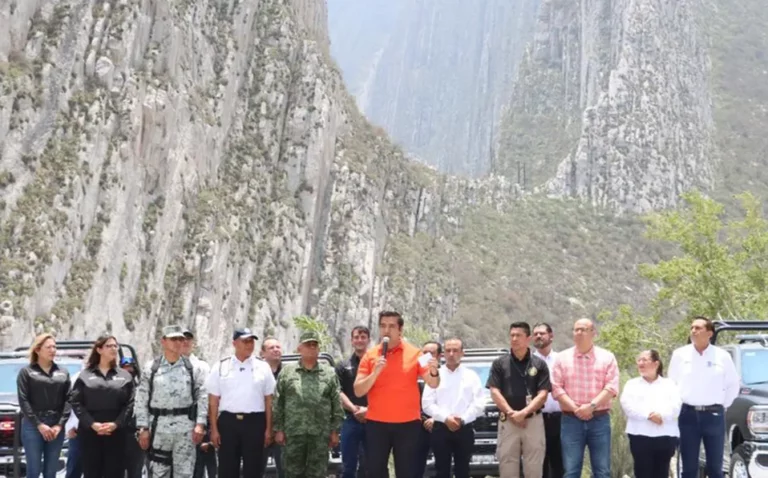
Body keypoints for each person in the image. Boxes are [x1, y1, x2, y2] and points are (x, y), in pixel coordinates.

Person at [354, 311, 440, 478]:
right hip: (377, 424)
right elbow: (358, 390)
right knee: (375, 472)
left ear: (400, 330)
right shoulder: (370, 356)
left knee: (407, 472)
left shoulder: (416, 354)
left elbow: (433, 383)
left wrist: (435, 371)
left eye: (392, 326)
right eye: (383, 326)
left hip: (407, 425)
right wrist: (375, 374)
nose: (387, 330)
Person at [668, 316, 739, 478]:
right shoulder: (680, 355)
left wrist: (722, 405)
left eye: (698, 328)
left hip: (713, 415)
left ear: (709, 333)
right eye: (692, 327)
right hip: (688, 415)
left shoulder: (722, 356)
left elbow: (733, 384)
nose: (693, 331)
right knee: (689, 467)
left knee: (715, 466)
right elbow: (671, 385)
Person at [134, 325, 208, 478]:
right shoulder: (151, 368)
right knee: (158, 473)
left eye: (181, 339)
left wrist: (200, 424)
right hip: (159, 429)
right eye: (173, 339)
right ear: (164, 341)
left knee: (185, 474)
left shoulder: (192, 368)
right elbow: (141, 399)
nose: (178, 342)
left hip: (185, 430)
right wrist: (143, 428)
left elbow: (202, 396)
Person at [551, 318, 620, 478]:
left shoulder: (607, 357)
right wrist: (577, 409)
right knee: (571, 471)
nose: (579, 333)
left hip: (599, 420)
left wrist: (591, 406)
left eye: (583, 329)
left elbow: (611, 387)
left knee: (602, 471)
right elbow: (556, 388)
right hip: (571, 421)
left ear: (593, 333)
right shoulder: (562, 358)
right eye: (576, 330)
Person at [273, 330, 344, 478]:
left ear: (319, 349)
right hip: (293, 433)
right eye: (308, 344)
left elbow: (336, 404)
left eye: (314, 345)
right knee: (292, 473)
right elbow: (278, 402)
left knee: (317, 474)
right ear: (300, 348)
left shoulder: (329, 373)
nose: (311, 348)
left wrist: (335, 430)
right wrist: (278, 429)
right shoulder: (287, 372)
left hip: (319, 435)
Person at [206, 327, 276, 478]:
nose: (249, 344)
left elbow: (269, 400)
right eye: (245, 341)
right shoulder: (221, 366)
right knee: (227, 469)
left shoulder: (263, 367)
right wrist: (214, 429)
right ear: (234, 343)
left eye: (251, 341)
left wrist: (269, 428)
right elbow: (213, 402)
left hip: (255, 422)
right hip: (228, 422)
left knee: (254, 469)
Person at [486, 322, 551, 478]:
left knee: (534, 466)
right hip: (508, 421)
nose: (514, 339)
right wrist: (512, 413)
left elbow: (543, 394)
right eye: (512, 335)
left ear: (528, 338)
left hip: (533, 421)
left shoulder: (539, 364)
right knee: (507, 463)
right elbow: (494, 391)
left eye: (518, 335)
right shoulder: (499, 364)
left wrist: (524, 413)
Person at [69, 335, 135, 477]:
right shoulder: (84, 376)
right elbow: (76, 401)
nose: (114, 349)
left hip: (116, 433)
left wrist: (116, 424)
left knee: (115, 472)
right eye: (109, 346)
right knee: (92, 472)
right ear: (99, 350)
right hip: (90, 433)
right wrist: (92, 424)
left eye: (115, 346)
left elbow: (131, 403)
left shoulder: (125, 376)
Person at [422, 338, 485, 478]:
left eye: (455, 350)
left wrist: (462, 419)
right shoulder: (434, 375)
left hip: (464, 428)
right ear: (443, 354)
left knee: (463, 471)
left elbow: (479, 404)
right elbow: (427, 403)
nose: (451, 354)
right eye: (448, 350)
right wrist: (445, 418)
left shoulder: (471, 376)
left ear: (462, 353)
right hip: (441, 428)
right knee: (441, 471)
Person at [620, 350, 682, 478]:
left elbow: (676, 405)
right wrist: (648, 415)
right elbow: (627, 405)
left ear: (656, 364)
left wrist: (662, 416)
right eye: (639, 360)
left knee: (661, 472)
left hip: (665, 435)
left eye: (644, 360)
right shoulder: (632, 384)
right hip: (640, 435)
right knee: (642, 472)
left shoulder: (669, 384)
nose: (640, 363)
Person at [17, 333, 71, 478]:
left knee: (51, 471)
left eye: (54, 347)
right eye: (48, 347)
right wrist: (39, 425)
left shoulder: (63, 372)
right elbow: (23, 400)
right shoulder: (26, 372)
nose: (53, 350)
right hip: (33, 426)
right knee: (33, 471)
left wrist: (59, 425)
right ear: (37, 350)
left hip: (56, 426)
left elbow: (68, 400)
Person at [335, 326, 372, 478]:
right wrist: (354, 409)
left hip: (374, 420)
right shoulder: (343, 366)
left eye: (363, 337)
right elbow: (337, 390)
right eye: (356, 337)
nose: (359, 340)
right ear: (351, 341)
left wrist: (368, 410)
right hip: (350, 420)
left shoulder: (376, 364)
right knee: (348, 465)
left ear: (368, 340)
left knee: (371, 464)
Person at [182, 328, 217, 478]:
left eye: (188, 339)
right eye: (181, 339)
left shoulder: (201, 367)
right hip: (168, 425)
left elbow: (204, 397)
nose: (185, 342)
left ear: (193, 344)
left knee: (196, 468)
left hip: (193, 423)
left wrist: (201, 424)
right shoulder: (161, 366)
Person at [532, 323, 563, 478]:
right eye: (535, 333)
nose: (538, 336)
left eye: (542, 333)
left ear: (551, 336)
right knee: (539, 463)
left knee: (560, 463)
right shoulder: (527, 361)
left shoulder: (562, 359)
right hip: (536, 419)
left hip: (560, 419)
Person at [415, 341, 442, 478]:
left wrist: (435, 418)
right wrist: (424, 418)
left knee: (442, 467)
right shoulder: (413, 373)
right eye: (424, 353)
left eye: (431, 354)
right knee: (415, 467)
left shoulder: (445, 374)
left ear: (439, 356)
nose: (427, 356)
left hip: (440, 426)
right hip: (417, 426)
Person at [260, 337, 284, 478]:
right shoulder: (255, 374)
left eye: (278, 347)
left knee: (285, 470)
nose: (276, 350)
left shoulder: (290, 374)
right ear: (262, 353)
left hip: (282, 429)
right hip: (259, 428)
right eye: (271, 348)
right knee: (255, 470)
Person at [120, 357, 145, 478]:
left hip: (136, 434)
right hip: (118, 434)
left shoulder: (142, 388)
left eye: (130, 368)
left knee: (135, 471)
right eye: (125, 368)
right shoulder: (115, 388)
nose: (128, 370)